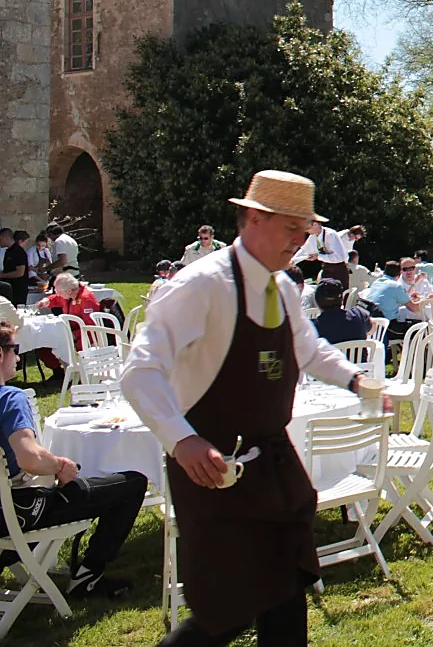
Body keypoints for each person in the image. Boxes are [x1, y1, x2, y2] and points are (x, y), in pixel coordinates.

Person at [122, 169, 379, 647]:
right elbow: (140, 370)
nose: (300, 242)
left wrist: (355, 378)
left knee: (284, 586)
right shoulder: (201, 285)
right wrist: (182, 440)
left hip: (273, 460)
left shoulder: (282, 288)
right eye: (291, 230)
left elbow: (307, 347)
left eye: (304, 233)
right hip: (213, 467)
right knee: (231, 606)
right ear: (253, 219)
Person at [0, 321, 146, 598]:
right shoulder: (8, 399)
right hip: (17, 517)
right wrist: (60, 466)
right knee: (133, 483)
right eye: (14, 350)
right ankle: (88, 576)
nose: (18, 357)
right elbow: (30, 458)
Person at [37, 273, 102, 371]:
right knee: (42, 340)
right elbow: (57, 298)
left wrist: (73, 335)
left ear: (69, 291)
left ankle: (71, 370)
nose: (58, 294)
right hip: (69, 331)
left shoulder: (86, 299)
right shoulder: (69, 295)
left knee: (53, 341)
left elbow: (91, 327)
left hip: (84, 338)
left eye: (59, 292)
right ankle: (58, 370)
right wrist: (47, 300)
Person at [290, 218, 349, 289]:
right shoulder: (314, 236)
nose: (306, 231)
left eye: (307, 228)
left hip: (338, 271)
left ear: (315, 224)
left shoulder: (330, 234)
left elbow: (339, 257)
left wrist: (318, 256)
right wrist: (292, 261)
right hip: (326, 270)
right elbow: (305, 250)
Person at [310, 279, 371, 346]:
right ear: (342, 298)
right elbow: (372, 328)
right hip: (358, 356)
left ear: (317, 300)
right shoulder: (358, 315)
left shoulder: (313, 328)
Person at [0, 230, 27, 303]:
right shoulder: (8, 251)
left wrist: (2, 275)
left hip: (18, 288)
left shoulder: (18, 251)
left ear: (6, 238)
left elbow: (20, 272)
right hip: (9, 288)